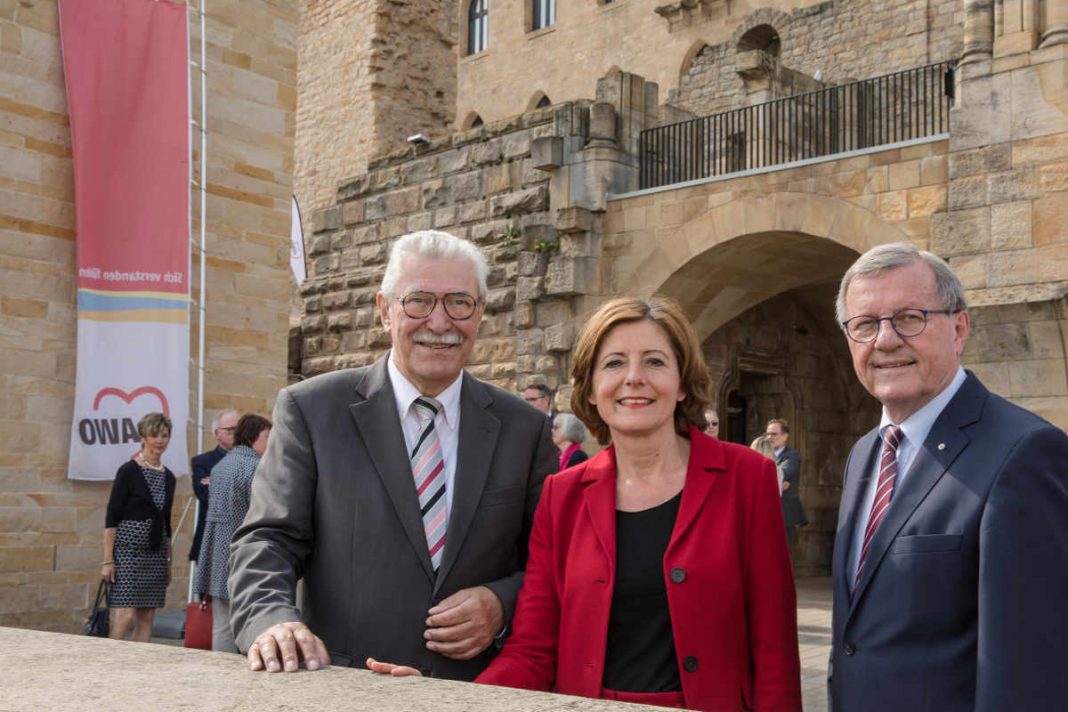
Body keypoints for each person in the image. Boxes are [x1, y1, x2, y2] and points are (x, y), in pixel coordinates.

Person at [369, 297, 801, 711]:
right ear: (591, 389)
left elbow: (774, 648)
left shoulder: (747, 479)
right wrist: (454, 702)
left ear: (683, 383)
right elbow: (533, 650)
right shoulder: (563, 495)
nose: (634, 378)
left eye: (655, 361)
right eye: (614, 363)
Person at [228, 229, 557, 677]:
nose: (440, 323)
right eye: (419, 301)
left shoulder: (526, 428)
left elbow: (548, 562)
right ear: (385, 311)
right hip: (345, 687)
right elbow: (267, 541)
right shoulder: (312, 409)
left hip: (476, 689)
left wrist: (503, 602)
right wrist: (272, 620)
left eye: (459, 302)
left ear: (480, 314)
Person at [829, 242, 1068, 711]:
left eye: (909, 318)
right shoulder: (865, 453)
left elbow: (1029, 669)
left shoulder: (1025, 453)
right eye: (864, 325)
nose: (885, 340)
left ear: (959, 328)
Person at [194, 413, 271, 652]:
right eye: (267, 436)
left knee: (222, 625)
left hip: (218, 554)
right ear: (252, 437)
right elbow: (261, 513)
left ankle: (221, 673)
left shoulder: (220, 466)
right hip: (245, 554)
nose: (270, 441)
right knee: (252, 621)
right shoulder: (257, 467)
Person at [101, 412, 176, 642]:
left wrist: (168, 562)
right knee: (125, 615)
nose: (159, 440)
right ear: (143, 437)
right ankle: (110, 662)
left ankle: (138, 666)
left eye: (164, 435)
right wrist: (107, 560)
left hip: (155, 553)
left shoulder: (169, 477)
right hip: (128, 552)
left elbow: (166, 522)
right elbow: (112, 517)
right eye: (154, 435)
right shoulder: (128, 471)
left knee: (147, 616)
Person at [189, 408, 239, 564]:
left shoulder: (252, 461)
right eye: (231, 430)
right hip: (212, 542)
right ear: (217, 434)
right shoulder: (202, 462)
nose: (237, 434)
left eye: (240, 429)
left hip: (241, 542)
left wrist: (217, 482)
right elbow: (205, 495)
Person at [766, 418, 807, 539]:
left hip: (784, 515)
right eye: (767, 434)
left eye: (774, 434)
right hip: (765, 513)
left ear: (785, 436)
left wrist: (774, 480)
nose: (769, 437)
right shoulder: (761, 455)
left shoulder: (792, 456)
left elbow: (781, 473)